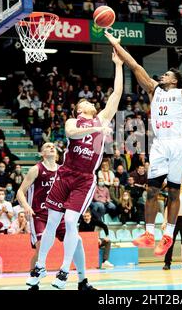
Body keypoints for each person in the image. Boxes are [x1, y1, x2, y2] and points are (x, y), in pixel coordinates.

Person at [105, 31, 182, 256]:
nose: (163, 76)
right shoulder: (153, 89)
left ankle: (167, 235)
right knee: (151, 191)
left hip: (178, 143)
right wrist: (117, 45)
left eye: (167, 74)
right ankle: (149, 234)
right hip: (159, 144)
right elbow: (135, 66)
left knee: (174, 192)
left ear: (174, 80)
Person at [27, 51, 123, 289]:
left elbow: (117, 94)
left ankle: (63, 271)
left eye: (90, 102)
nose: (89, 102)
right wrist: (97, 129)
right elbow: (71, 133)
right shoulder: (75, 122)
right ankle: (40, 265)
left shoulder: (101, 117)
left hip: (84, 179)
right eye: (84, 102)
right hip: (65, 174)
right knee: (52, 223)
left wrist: (118, 66)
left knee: (71, 222)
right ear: (80, 109)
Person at [18, 143, 96, 290]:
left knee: (77, 241)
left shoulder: (63, 170)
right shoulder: (36, 169)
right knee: (40, 245)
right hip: (39, 214)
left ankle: (82, 280)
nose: (51, 147)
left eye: (53, 146)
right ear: (41, 153)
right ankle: (35, 281)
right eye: (47, 146)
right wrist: (26, 207)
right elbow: (20, 191)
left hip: (59, 214)